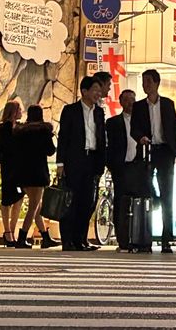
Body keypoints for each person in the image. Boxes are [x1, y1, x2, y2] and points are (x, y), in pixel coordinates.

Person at [130, 68, 176, 254]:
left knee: (167, 193)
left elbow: (175, 128)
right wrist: (141, 138)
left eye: (149, 82)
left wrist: (174, 149)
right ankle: (144, 237)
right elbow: (134, 129)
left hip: (165, 152)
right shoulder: (139, 106)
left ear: (157, 83)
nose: (146, 85)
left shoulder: (167, 104)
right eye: (143, 82)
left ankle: (166, 238)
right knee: (146, 191)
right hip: (147, 151)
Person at [56, 75, 106, 251]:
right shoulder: (70, 110)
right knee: (70, 201)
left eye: (99, 90)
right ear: (84, 91)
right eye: (95, 90)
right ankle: (67, 240)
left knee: (87, 202)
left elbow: (101, 138)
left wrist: (101, 162)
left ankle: (81, 240)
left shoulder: (99, 112)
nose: (98, 93)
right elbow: (63, 137)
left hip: (92, 159)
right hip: (74, 160)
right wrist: (60, 163)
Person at [13, 105, 59, 249]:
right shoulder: (43, 131)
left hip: (24, 171)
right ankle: (22, 236)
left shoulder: (21, 132)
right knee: (34, 206)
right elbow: (50, 151)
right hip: (38, 171)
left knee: (36, 205)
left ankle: (45, 236)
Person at [106, 89, 139, 252]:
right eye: (126, 99)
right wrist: (111, 165)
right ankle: (122, 239)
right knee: (120, 202)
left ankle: (138, 237)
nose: (130, 103)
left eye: (133, 99)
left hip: (138, 167)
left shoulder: (142, 122)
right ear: (121, 102)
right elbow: (108, 146)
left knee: (138, 201)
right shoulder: (113, 123)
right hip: (121, 167)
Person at [0, 99, 23, 247]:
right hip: (8, 168)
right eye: (19, 110)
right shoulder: (4, 128)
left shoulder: (19, 127)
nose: (21, 113)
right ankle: (7, 231)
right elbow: (7, 147)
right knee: (7, 198)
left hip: (18, 168)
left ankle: (12, 230)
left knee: (19, 196)